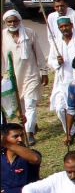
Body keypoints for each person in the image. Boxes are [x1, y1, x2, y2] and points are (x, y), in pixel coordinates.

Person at [1, 10, 48, 143]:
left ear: (19, 20)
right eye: (9, 21)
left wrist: (44, 72)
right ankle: (32, 123)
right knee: (20, 106)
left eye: (15, 20)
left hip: (30, 74)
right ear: (6, 22)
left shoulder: (29, 33)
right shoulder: (3, 35)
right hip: (13, 77)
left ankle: (29, 132)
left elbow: (39, 53)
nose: (12, 23)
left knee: (30, 103)